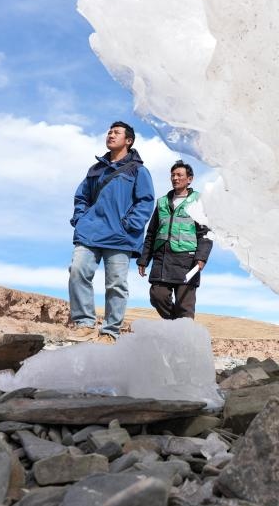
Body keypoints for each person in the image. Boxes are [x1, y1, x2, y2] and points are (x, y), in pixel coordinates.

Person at [67, 121, 155, 344]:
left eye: (116, 133)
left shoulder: (138, 171)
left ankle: (110, 332)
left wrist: (130, 224)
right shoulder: (96, 169)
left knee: (116, 284)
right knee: (78, 270)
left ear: (128, 140)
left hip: (120, 236)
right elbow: (82, 197)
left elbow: (145, 201)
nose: (111, 135)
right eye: (109, 132)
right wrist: (81, 218)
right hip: (90, 231)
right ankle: (84, 323)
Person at [137, 160, 212, 319]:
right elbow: (151, 233)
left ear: (189, 179)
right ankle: (175, 326)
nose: (175, 178)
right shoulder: (162, 202)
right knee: (158, 295)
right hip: (162, 260)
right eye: (173, 175)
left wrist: (201, 257)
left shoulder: (199, 201)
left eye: (179, 175)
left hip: (188, 261)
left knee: (185, 307)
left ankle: (184, 338)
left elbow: (206, 233)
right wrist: (144, 260)